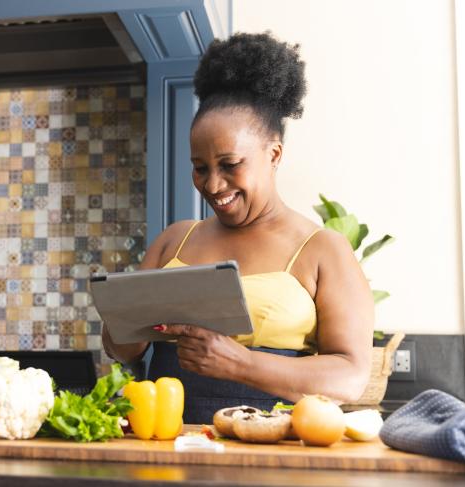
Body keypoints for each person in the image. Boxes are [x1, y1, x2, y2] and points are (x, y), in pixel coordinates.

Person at [102, 33, 373, 424]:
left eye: (230, 165)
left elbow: (351, 377)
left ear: (274, 153)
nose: (212, 185)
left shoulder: (322, 250)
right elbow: (123, 350)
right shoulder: (175, 240)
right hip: (165, 449)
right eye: (200, 168)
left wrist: (242, 364)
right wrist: (125, 325)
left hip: (269, 453)